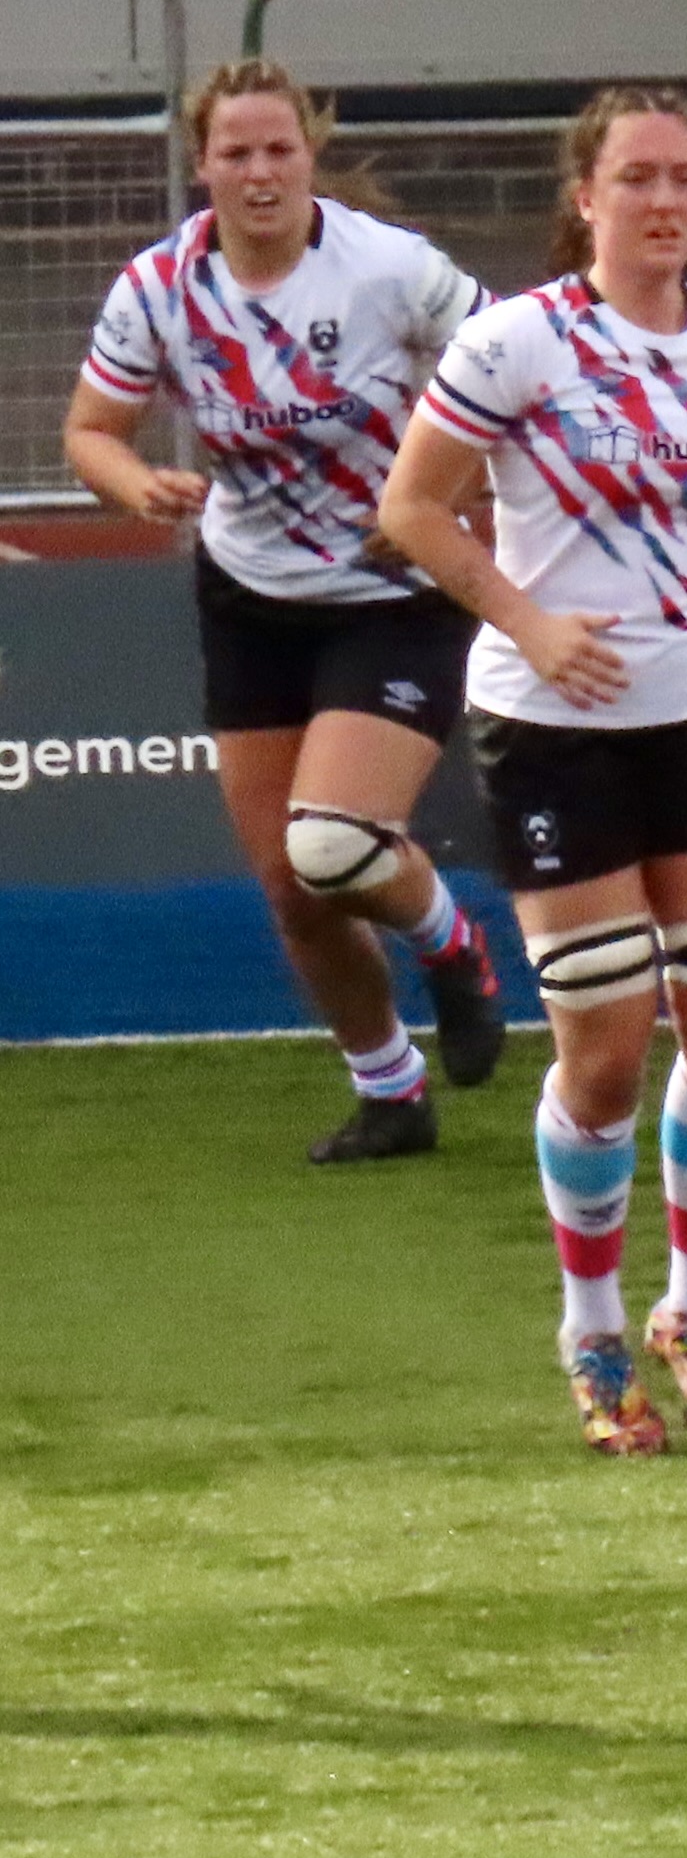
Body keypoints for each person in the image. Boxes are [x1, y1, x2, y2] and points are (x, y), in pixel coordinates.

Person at [378, 88, 687, 1456]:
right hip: (547, 725)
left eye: (684, 179)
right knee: (602, 1055)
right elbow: (411, 505)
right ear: (585, 195)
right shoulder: (517, 341)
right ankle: (588, 1326)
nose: (665, 201)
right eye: (637, 177)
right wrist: (529, 621)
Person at [61, 60, 507, 1161]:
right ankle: (390, 1092)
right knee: (294, 887)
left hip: (393, 591)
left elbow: (517, 371)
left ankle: (452, 946)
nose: (259, 173)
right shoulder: (160, 287)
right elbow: (89, 432)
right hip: (249, 594)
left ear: (311, 153)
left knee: (336, 843)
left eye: (278, 149)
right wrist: (138, 485)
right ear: (202, 164)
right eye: (236, 153)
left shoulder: (388, 269)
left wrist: (444, 499)